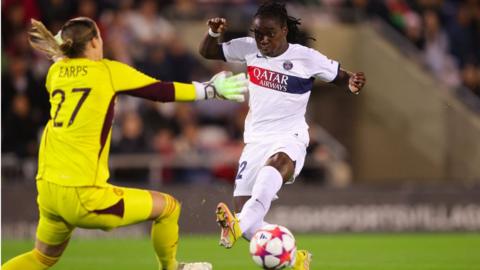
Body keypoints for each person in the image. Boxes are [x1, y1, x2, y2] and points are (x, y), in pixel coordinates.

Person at [2, 17, 248, 270]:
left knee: (41, 259)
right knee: (168, 208)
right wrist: (209, 90)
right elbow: (160, 91)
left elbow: (64, 59)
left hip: (48, 188)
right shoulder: (108, 72)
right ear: (95, 42)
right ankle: (172, 268)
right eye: (99, 36)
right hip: (83, 193)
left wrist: (60, 44)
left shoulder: (55, 73)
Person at [199, 1, 366, 269]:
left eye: (270, 33)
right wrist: (213, 34)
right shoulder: (249, 48)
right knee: (246, 211)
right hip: (255, 140)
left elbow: (340, 76)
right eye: (258, 34)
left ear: (284, 30)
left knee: (276, 164)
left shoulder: (306, 57)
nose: (263, 40)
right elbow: (208, 52)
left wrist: (352, 82)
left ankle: (237, 224)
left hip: (290, 135)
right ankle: (294, 259)